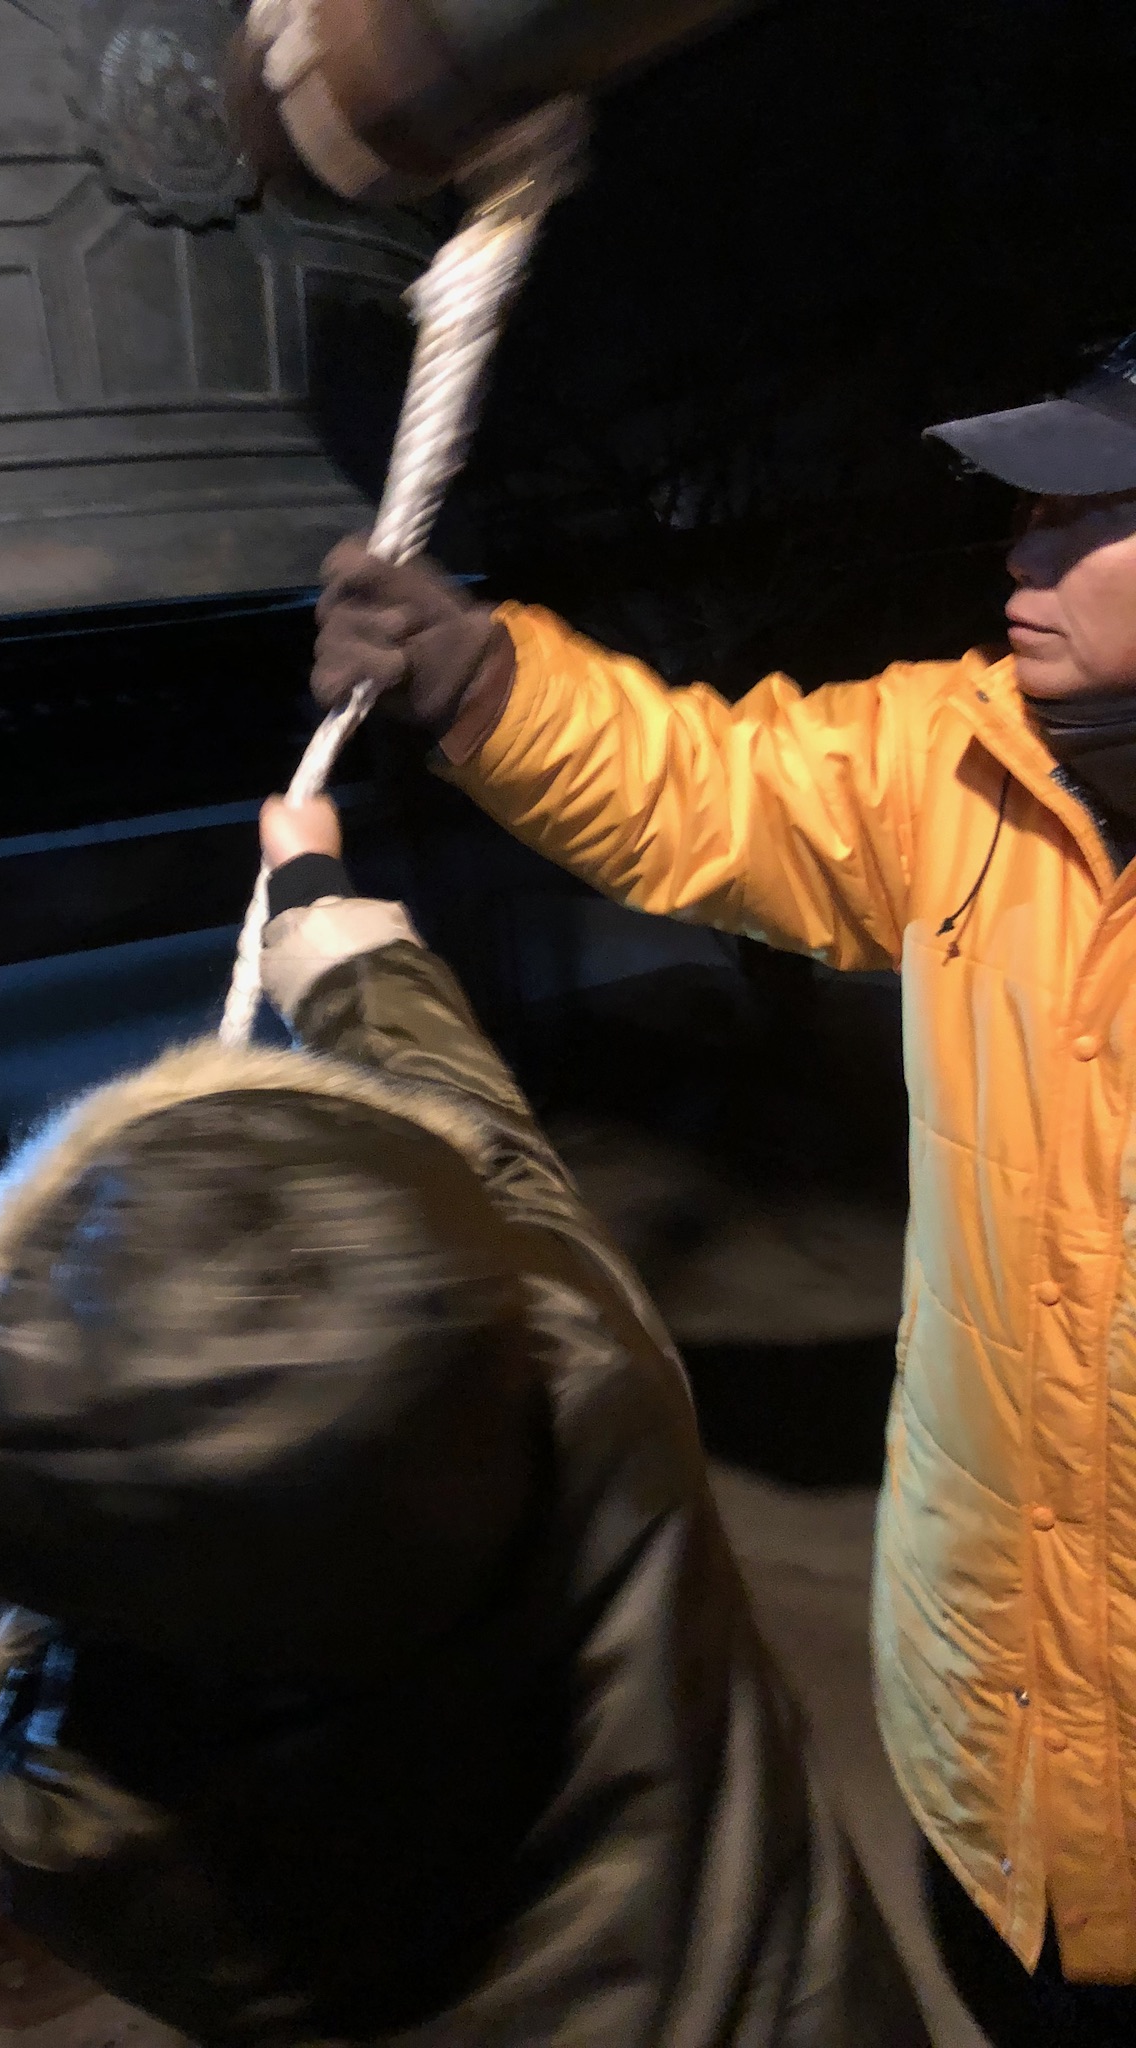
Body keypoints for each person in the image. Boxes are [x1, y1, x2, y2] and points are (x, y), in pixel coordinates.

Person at [309, 333, 1136, 2046]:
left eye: (1082, 508)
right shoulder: (963, 758)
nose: (1021, 544)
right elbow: (718, 791)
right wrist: (481, 681)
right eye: (1025, 502)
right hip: (1000, 1721)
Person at [0, 796, 925, 2047]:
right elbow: (481, 1138)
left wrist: (43, 1561)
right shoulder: (582, 1349)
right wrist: (326, 916)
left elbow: (29, 1772)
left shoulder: (88, 1835)